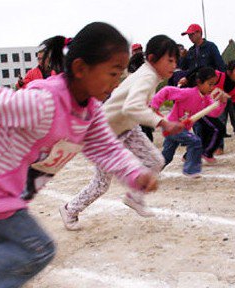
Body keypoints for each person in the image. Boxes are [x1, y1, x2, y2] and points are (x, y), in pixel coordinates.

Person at [0, 22, 160, 287]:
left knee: (1, 262)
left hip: (9, 188)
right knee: (39, 249)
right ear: (80, 68)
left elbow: (106, 148)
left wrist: (135, 174)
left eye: (120, 73)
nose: (118, 81)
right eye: (113, 72)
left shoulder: (91, 112)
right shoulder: (43, 103)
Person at [59, 35, 184, 231]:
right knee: (101, 184)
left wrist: (161, 119)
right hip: (105, 135)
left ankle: (134, 196)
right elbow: (131, 107)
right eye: (169, 60)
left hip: (127, 128)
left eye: (175, 60)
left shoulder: (149, 75)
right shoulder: (147, 76)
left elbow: (135, 107)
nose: (174, 64)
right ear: (152, 58)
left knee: (155, 161)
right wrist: (162, 123)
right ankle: (69, 209)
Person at [151, 67, 228, 177]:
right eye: (210, 84)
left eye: (213, 84)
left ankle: (149, 171)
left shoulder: (206, 99)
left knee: (167, 156)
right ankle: (191, 169)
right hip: (172, 126)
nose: (212, 88)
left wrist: (222, 103)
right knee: (195, 141)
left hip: (181, 128)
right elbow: (167, 90)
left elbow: (214, 113)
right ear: (199, 82)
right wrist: (155, 104)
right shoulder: (187, 93)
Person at [204, 60, 235, 155]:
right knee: (202, 130)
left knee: (220, 125)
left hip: (216, 108)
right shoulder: (217, 76)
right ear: (229, 72)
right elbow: (202, 76)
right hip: (201, 105)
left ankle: (218, 147)